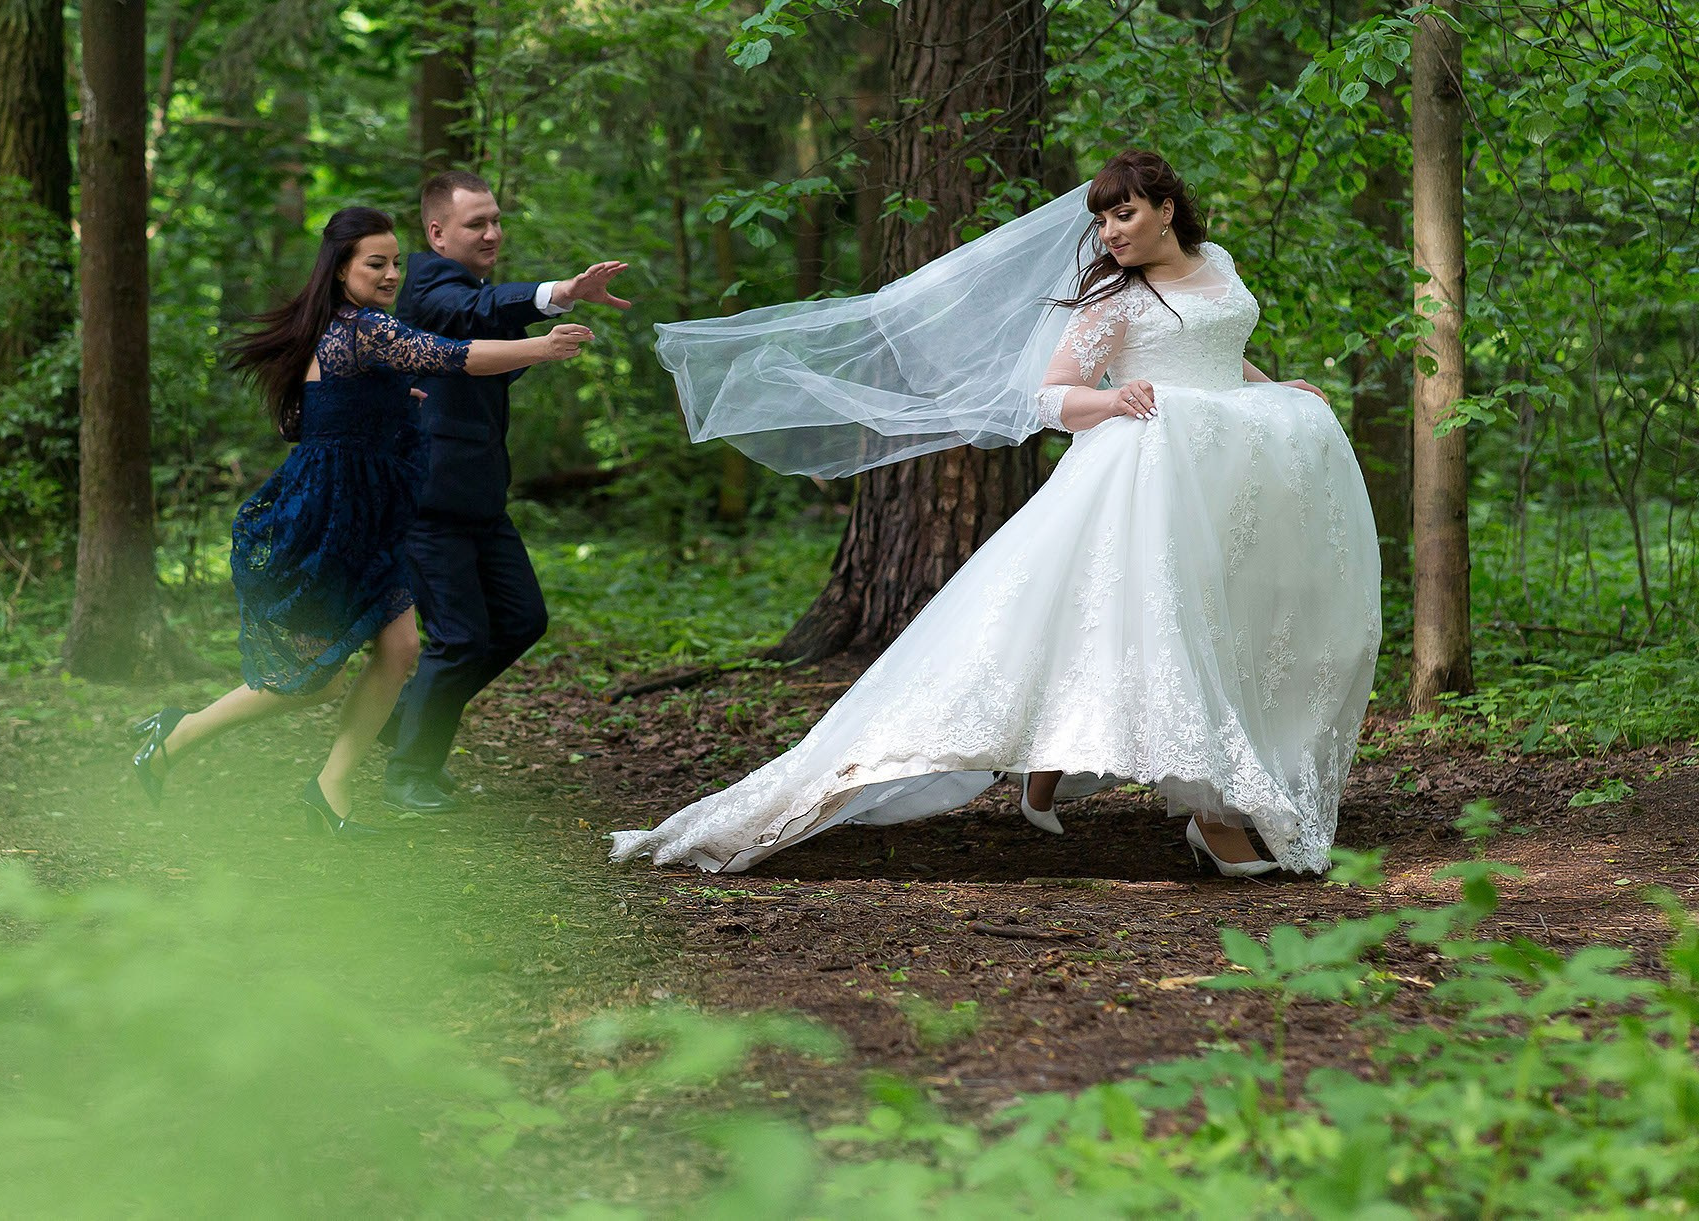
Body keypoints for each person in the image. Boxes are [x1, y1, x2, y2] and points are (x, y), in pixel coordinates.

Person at [612, 149, 1380, 876]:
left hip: (1227, 465)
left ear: (1167, 209)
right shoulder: (1115, 300)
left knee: (1217, 620)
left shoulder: (1217, 267)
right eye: (1102, 221)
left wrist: (1274, 387)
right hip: (1148, 469)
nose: (1110, 233)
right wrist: (1111, 397)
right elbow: (1048, 395)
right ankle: (1210, 816)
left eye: (1124, 215)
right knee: (1146, 622)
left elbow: (1217, 351)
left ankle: (1070, 775)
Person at [127, 206, 593, 835]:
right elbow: (450, 355)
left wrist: (389, 404)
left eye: (396, 262)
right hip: (331, 519)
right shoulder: (363, 329)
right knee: (311, 682)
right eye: (376, 263)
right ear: (341, 267)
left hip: (363, 517)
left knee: (399, 649)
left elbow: (329, 411)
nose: (391, 273)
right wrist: (541, 346)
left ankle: (329, 788)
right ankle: (176, 734)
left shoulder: (346, 330)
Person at [376, 170, 631, 813]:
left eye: (495, 220)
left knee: (521, 620)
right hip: (427, 501)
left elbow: (484, 349)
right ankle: (409, 770)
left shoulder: (471, 294)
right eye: (475, 224)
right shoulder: (431, 285)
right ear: (437, 233)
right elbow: (474, 314)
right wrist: (560, 297)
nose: (492, 233)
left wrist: (536, 345)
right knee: (460, 637)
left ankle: (401, 716)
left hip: (481, 499)